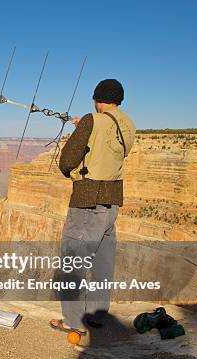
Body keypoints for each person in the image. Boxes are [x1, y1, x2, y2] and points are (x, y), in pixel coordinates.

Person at [49, 79, 136, 335]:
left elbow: (67, 161)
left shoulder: (91, 120)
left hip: (88, 201)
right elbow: (110, 150)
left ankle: (73, 322)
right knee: (102, 262)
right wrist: (87, 130)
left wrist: (82, 130)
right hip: (112, 202)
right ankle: (97, 316)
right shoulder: (128, 124)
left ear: (97, 99)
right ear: (118, 99)